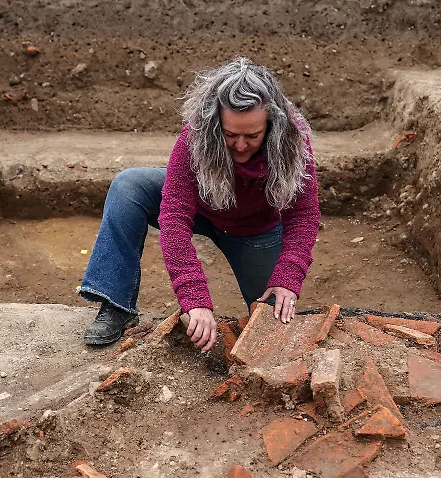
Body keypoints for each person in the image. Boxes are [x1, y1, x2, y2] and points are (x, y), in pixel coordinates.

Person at [77, 56, 321, 351]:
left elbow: (304, 213)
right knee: (129, 186)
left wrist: (288, 276)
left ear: (272, 123)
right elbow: (173, 216)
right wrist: (194, 298)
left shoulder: (292, 139)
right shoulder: (196, 135)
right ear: (216, 121)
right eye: (231, 135)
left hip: (255, 229)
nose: (241, 145)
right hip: (202, 208)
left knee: (270, 323)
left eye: (252, 135)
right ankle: (115, 303)